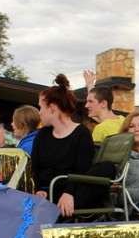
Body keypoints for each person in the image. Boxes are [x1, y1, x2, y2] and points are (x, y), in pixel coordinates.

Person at [31, 74, 116, 218]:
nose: (39, 113)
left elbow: (81, 170)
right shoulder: (42, 134)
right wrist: (38, 189)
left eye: (40, 107)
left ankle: (61, 210)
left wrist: (68, 193)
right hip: (45, 194)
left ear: (51, 108)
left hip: (72, 193)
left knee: (107, 168)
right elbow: (34, 168)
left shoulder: (81, 133)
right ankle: (57, 211)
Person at [84, 70, 125, 143]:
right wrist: (90, 84)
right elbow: (102, 118)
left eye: (90, 101)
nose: (86, 105)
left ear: (103, 103)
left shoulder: (101, 129)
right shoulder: (123, 121)